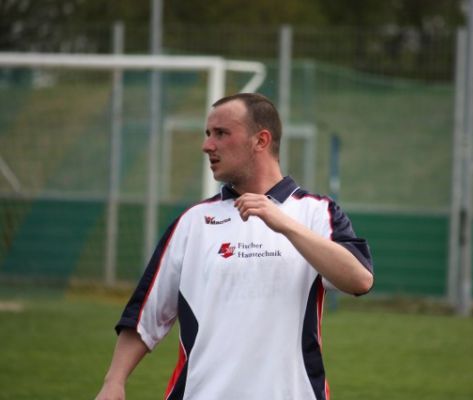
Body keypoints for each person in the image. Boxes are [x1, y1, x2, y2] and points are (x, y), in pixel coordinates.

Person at [95, 93, 374, 400]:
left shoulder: (316, 212)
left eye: (221, 133)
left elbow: (359, 279)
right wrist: (114, 381)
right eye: (207, 133)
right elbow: (145, 315)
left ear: (261, 140)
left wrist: (284, 224)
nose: (207, 145)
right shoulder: (193, 222)